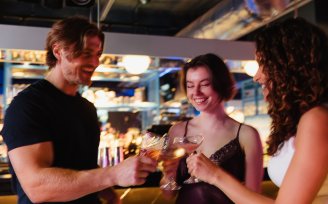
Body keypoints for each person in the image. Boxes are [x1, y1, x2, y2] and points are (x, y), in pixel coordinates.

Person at [1, 16, 157, 204]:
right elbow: (37, 187)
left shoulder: (87, 108)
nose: (95, 62)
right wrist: (111, 175)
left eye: (98, 54)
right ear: (58, 51)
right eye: (86, 53)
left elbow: (82, 165)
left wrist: (108, 193)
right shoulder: (28, 106)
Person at [186, 18, 328, 204]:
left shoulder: (317, 119)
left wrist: (215, 175)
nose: (256, 76)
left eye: (262, 63)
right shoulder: (304, 119)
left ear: (286, 66)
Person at [160, 53, 264, 203]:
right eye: (190, 85)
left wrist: (215, 175)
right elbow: (168, 194)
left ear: (221, 84)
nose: (196, 92)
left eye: (204, 84)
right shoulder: (177, 131)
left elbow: (254, 198)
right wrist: (168, 176)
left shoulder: (246, 134)